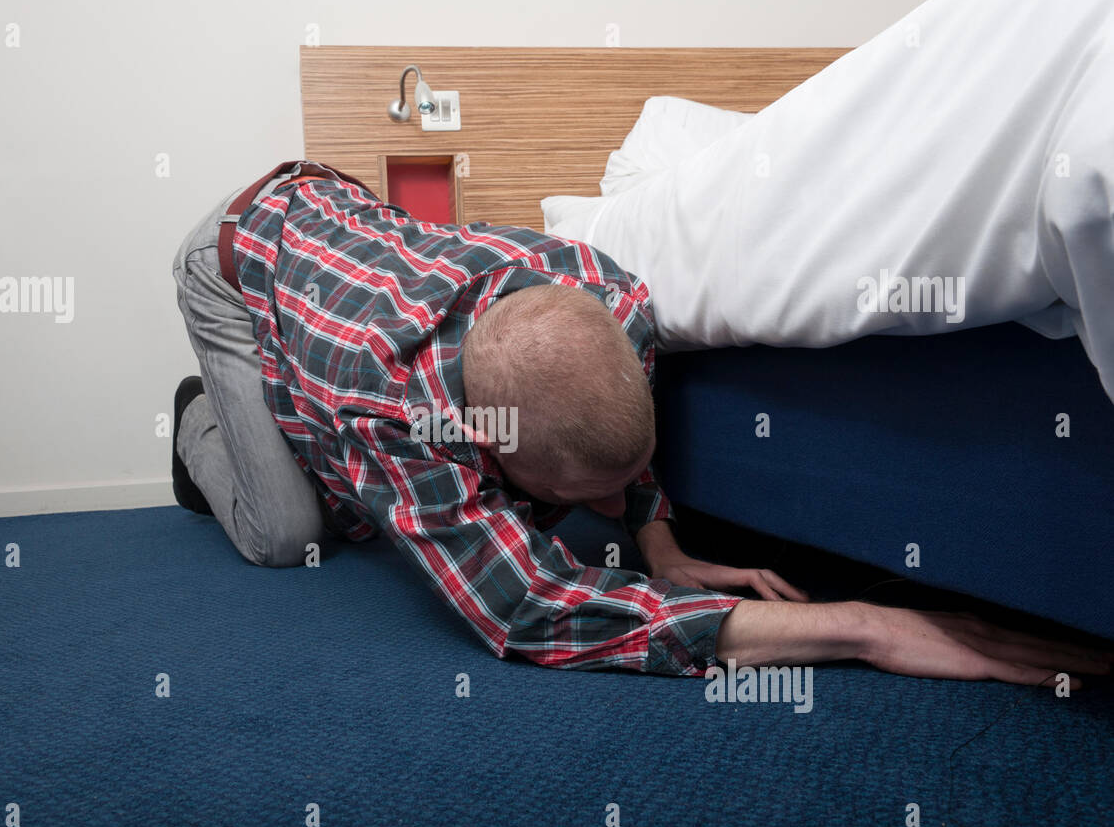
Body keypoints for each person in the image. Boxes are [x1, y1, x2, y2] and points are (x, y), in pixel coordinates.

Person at [170, 160, 1112, 687]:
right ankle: (199, 424)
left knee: (353, 496)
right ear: (485, 441)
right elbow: (531, 608)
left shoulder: (612, 295)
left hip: (334, 204)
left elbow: (622, 445)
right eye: (590, 497)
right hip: (235, 262)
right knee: (293, 533)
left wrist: (655, 538)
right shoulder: (387, 407)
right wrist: (867, 627)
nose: (618, 502)